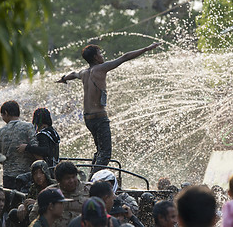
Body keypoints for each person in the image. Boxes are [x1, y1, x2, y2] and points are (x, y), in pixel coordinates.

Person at [56, 43, 161, 175]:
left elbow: (73, 74)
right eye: (100, 53)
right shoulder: (101, 68)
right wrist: (146, 48)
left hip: (88, 119)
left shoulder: (83, 73)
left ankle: (91, 177)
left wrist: (63, 78)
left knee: (100, 151)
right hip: (99, 118)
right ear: (95, 57)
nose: (102, 55)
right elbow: (125, 57)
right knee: (105, 154)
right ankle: (92, 180)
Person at [29, 161, 91, 227]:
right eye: (67, 178)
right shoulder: (50, 192)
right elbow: (33, 215)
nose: (72, 181)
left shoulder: (89, 189)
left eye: (73, 177)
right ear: (59, 180)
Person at [0, 100, 38, 189]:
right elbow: (35, 148)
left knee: (10, 201)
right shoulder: (28, 127)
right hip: (26, 174)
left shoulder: (0, 132)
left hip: (8, 176)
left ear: (6, 113)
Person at [9, 160, 56, 226]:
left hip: (50, 215)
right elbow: (28, 200)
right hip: (34, 214)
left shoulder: (54, 186)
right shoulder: (34, 187)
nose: (38, 176)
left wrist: (37, 204)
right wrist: (22, 205)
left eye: (41, 172)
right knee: (14, 213)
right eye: (35, 173)